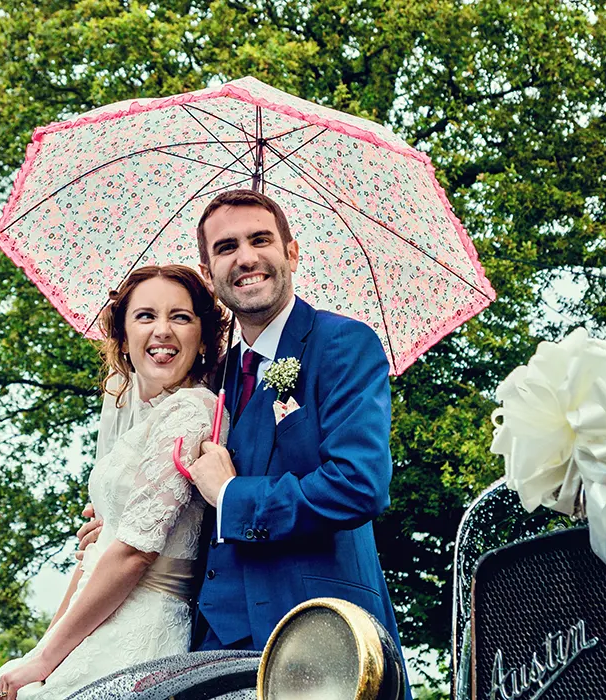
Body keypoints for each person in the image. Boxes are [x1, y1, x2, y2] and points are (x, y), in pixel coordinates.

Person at [79, 190, 410, 694]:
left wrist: (233, 496)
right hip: (211, 648)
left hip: (325, 640)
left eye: (261, 240)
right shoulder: (212, 376)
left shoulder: (342, 343)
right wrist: (117, 522)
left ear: (291, 253)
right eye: (227, 246)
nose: (247, 257)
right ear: (209, 273)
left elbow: (359, 484)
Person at [0, 265, 229, 700]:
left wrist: (44, 659)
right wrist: (41, 652)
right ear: (124, 339)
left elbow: (133, 554)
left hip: (140, 629)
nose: (162, 330)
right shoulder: (139, 423)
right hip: (91, 622)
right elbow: (98, 551)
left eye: (180, 317)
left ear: (203, 338)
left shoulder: (190, 411)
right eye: (145, 316)